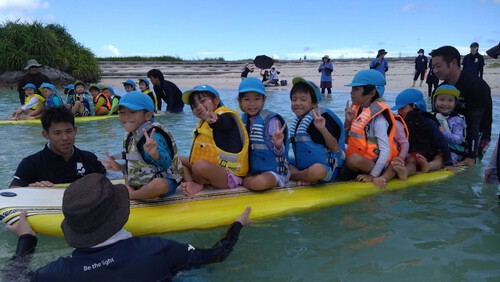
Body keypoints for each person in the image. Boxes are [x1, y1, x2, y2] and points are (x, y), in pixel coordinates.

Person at [2, 173, 251, 281]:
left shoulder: (57, 273)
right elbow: (218, 254)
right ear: (121, 212)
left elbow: (10, 279)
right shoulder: (159, 250)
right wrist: (238, 224)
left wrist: (27, 238)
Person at [100, 91, 183, 200]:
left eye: (132, 112)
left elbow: (166, 163)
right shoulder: (130, 135)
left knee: (159, 184)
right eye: (122, 112)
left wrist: (155, 154)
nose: (126, 117)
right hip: (141, 183)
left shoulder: (153, 135)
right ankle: (132, 189)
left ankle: (132, 195)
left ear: (148, 115)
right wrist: (119, 167)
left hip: (165, 181)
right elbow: (139, 164)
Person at [9, 107, 106, 187]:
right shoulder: (30, 163)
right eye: (57, 133)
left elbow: (107, 184)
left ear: (75, 130)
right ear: (46, 135)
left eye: (69, 131)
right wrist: (30, 189)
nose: (65, 138)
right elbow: (12, 191)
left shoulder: (90, 159)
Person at [180, 84, 249, 195]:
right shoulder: (203, 122)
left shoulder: (225, 118)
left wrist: (213, 121)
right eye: (194, 105)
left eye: (202, 101)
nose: (198, 107)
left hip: (230, 175)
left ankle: (197, 181)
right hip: (213, 168)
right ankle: (193, 183)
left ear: (216, 100)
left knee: (198, 167)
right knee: (177, 161)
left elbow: (221, 123)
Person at [431, 46, 492, 165]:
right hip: (450, 134)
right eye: (433, 67)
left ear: (453, 62)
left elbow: (475, 125)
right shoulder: (439, 90)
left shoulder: (477, 86)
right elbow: (436, 119)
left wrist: (471, 155)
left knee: (468, 171)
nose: (435, 71)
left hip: (478, 135)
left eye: (438, 66)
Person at [343, 69, 398, 185]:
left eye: (356, 89)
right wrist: (347, 123)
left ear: (372, 92)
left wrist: (372, 175)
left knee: (353, 159)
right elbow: (345, 141)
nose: (351, 93)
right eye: (352, 88)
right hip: (360, 162)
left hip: (376, 164)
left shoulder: (379, 120)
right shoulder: (357, 111)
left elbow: (385, 150)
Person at [289, 77, 345, 185]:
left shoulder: (322, 119)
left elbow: (334, 148)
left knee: (316, 170)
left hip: (328, 170)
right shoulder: (300, 121)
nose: (297, 103)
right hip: (304, 166)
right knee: (282, 161)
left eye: (303, 99)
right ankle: (304, 175)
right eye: (294, 99)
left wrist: (322, 129)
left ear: (314, 103)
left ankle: (294, 175)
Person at [237, 77, 290, 191]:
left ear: (264, 99)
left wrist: (278, 144)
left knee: (259, 183)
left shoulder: (271, 121)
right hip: (255, 170)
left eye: (257, 99)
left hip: (273, 172)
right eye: (247, 99)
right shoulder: (244, 120)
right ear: (240, 101)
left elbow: (280, 153)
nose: (252, 104)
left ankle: (244, 181)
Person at [392, 88, 456, 175]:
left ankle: (406, 171)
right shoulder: (428, 120)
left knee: (411, 162)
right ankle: (429, 166)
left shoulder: (400, 122)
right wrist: (449, 162)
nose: (399, 112)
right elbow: (441, 141)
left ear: (414, 106)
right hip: (429, 154)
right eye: (399, 109)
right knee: (439, 157)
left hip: (411, 155)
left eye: (402, 108)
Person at [432, 85, 467, 164]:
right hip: (436, 150)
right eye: (441, 99)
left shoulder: (456, 120)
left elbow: (458, 139)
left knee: (442, 158)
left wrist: (443, 133)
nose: (445, 103)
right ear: (434, 101)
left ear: (455, 103)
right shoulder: (432, 117)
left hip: (452, 152)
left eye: (450, 100)